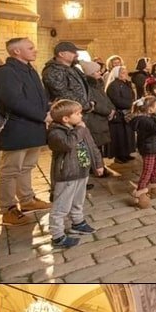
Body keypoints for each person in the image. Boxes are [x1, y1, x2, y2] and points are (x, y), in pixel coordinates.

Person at [0, 37, 52, 225]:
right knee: (10, 170)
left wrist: (48, 110)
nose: (35, 50)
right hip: (17, 127)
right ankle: (8, 209)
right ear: (16, 52)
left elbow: (40, 95)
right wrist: (42, 116)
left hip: (34, 126)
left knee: (27, 166)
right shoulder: (6, 72)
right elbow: (14, 101)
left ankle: (27, 200)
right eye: (30, 48)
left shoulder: (30, 70)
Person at [45, 98, 106, 248]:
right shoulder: (55, 132)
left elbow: (91, 145)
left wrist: (98, 164)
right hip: (67, 174)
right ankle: (57, 235)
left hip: (82, 170)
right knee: (62, 205)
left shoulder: (80, 127)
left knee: (78, 200)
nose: (81, 117)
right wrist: (80, 129)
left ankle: (77, 222)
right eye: (77, 114)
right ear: (65, 118)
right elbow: (68, 144)